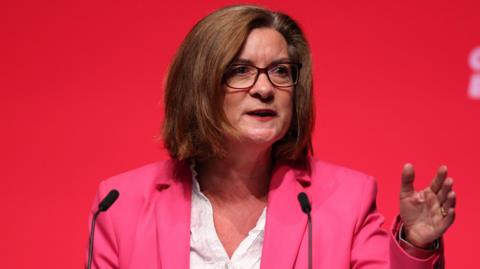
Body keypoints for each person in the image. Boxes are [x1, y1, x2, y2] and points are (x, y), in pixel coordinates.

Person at [87, 5, 456, 269]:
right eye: (241, 70)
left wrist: (416, 244)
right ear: (199, 86)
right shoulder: (121, 204)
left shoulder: (345, 199)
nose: (265, 88)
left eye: (280, 71)